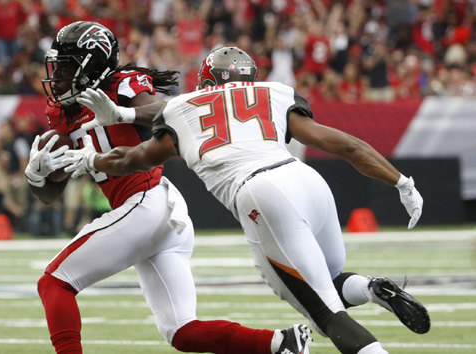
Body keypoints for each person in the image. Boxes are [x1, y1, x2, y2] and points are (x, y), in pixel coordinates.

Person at [63, 47, 430, 354]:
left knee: (326, 314)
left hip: (262, 194)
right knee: (329, 282)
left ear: (206, 81)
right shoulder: (275, 93)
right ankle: (371, 288)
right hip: (307, 181)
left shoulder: (183, 108)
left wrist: (88, 159)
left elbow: (132, 159)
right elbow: (348, 146)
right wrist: (402, 182)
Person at [26, 22, 311, 354]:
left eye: (66, 65)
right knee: (182, 332)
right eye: (56, 65)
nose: (57, 74)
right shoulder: (62, 113)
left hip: (145, 202)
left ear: (92, 65)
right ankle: (282, 343)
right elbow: (49, 194)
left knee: (54, 282)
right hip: (157, 213)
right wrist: (37, 175)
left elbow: (171, 111)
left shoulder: (122, 85)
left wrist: (121, 113)